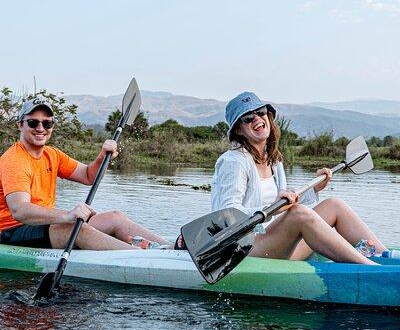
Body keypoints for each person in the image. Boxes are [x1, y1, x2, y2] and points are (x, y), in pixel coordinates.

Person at [211, 91, 387, 264]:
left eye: (260, 112)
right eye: (247, 118)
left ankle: (385, 256)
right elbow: (226, 216)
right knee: (298, 214)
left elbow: (286, 206)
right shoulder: (233, 161)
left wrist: (315, 189)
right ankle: (373, 269)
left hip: (276, 243)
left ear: (268, 116)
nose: (256, 118)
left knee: (333, 205)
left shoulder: (274, 160)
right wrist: (272, 208)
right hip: (244, 251)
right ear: (239, 130)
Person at [0, 98, 171, 250]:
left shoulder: (52, 154)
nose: (40, 128)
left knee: (115, 218)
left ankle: (172, 250)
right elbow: (20, 211)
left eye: (47, 123)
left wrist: (103, 157)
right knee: (76, 228)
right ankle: (146, 259)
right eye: (32, 123)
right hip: (12, 231)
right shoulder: (14, 160)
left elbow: (89, 176)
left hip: (45, 225)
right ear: (20, 124)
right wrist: (68, 215)